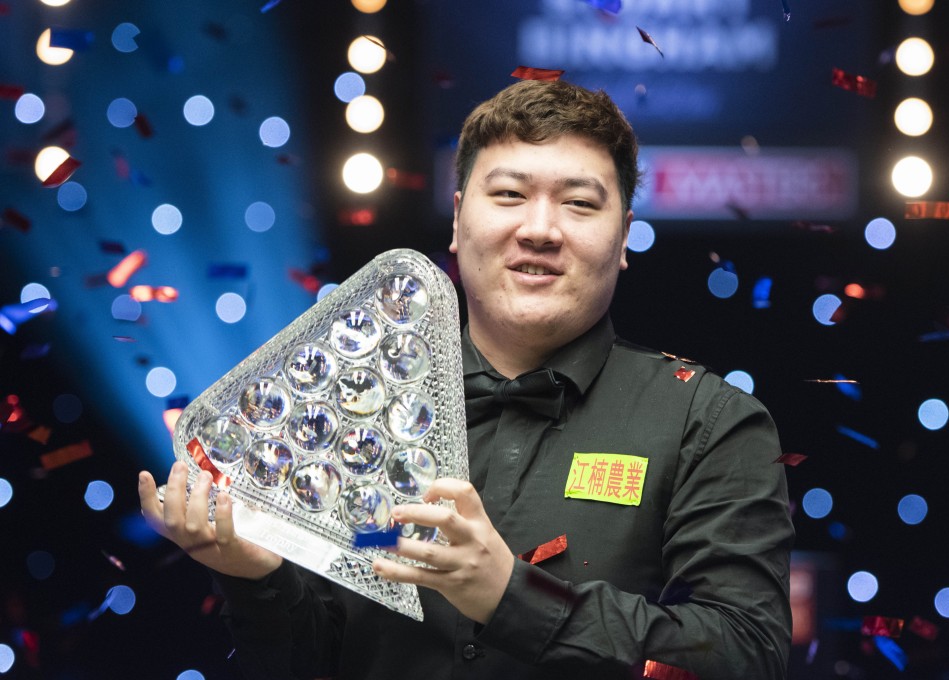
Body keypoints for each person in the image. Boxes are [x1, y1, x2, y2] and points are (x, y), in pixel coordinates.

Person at [139, 79, 794, 679]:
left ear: (624, 236)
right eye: (508, 194)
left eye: (578, 203)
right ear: (457, 220)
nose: (539, 229)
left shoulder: (709, 421)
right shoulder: (350, 413)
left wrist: (511, 596)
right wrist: (255, 578)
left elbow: (748, 653)